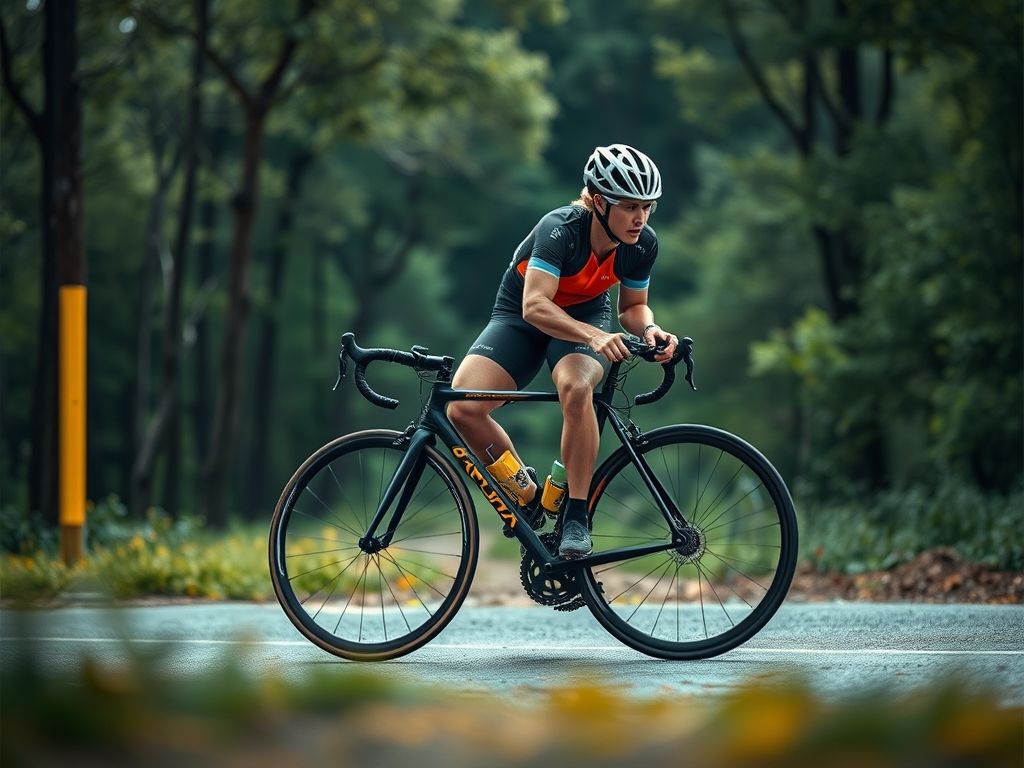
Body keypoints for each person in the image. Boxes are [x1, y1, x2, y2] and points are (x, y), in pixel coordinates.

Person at [448, 144, 679, 558]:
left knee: (575, 387)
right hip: (521, 315)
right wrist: (592, 337)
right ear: (596, 201)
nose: (639, 218)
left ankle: (576, 516)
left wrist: (650, 329)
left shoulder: (642, 243)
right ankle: (528, 494)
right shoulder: (559, 228)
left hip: (587, 314)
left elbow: (631, 307)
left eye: (647, 207)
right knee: (462, 407)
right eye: (628, 207)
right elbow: (535, 305)